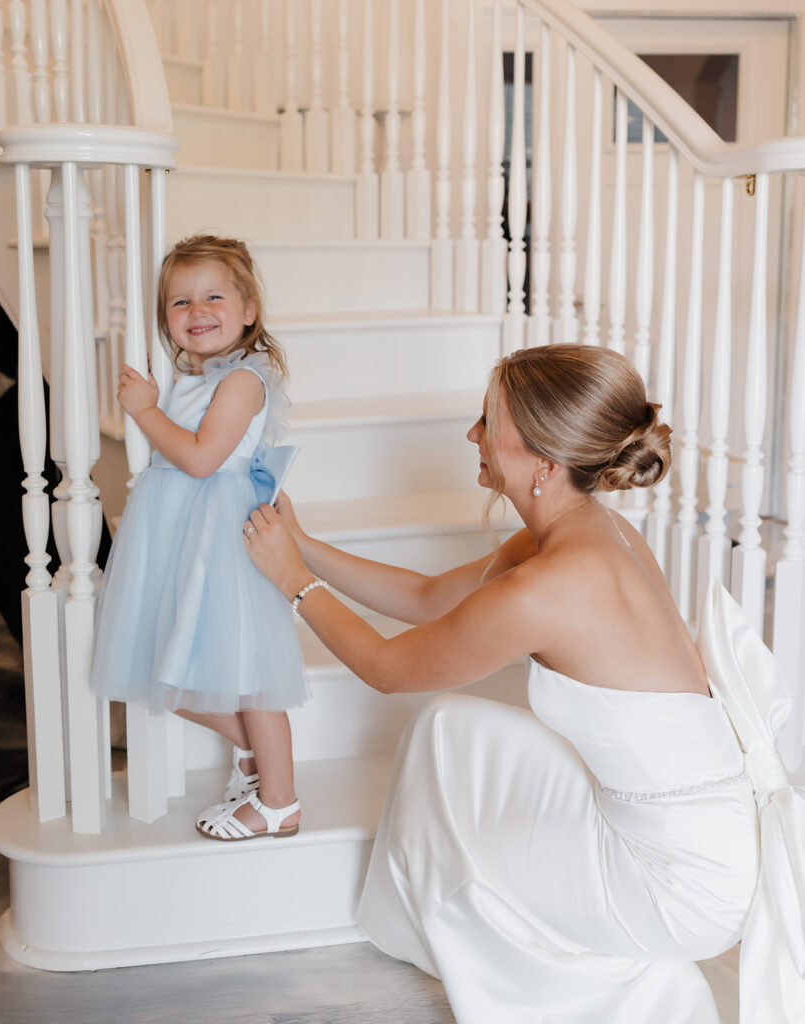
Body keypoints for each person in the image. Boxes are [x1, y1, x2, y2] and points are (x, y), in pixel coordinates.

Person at [242, 343, 805, 1023]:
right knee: (450, 730)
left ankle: (639, 993)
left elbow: (387, 670)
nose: (471, 435)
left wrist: (290, 584)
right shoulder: (584, 530)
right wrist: (300, 544)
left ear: (542, 457)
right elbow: (426, 598)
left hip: (680, 881)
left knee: (478, 883)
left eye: (488, 421)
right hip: (687, 828)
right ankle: (434, 925)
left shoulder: (550, 587)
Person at [91, 234, 306, 840]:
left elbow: (202, 458)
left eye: (213, 296)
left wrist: (144, 410)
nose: (196, 312)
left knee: (251, 674)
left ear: (248, 310)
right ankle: (256, 760)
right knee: (163, 664)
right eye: (179, 303)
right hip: (177, 531)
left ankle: (280, 800)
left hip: (219, 536)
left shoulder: (242, 381)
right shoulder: (198, 376)